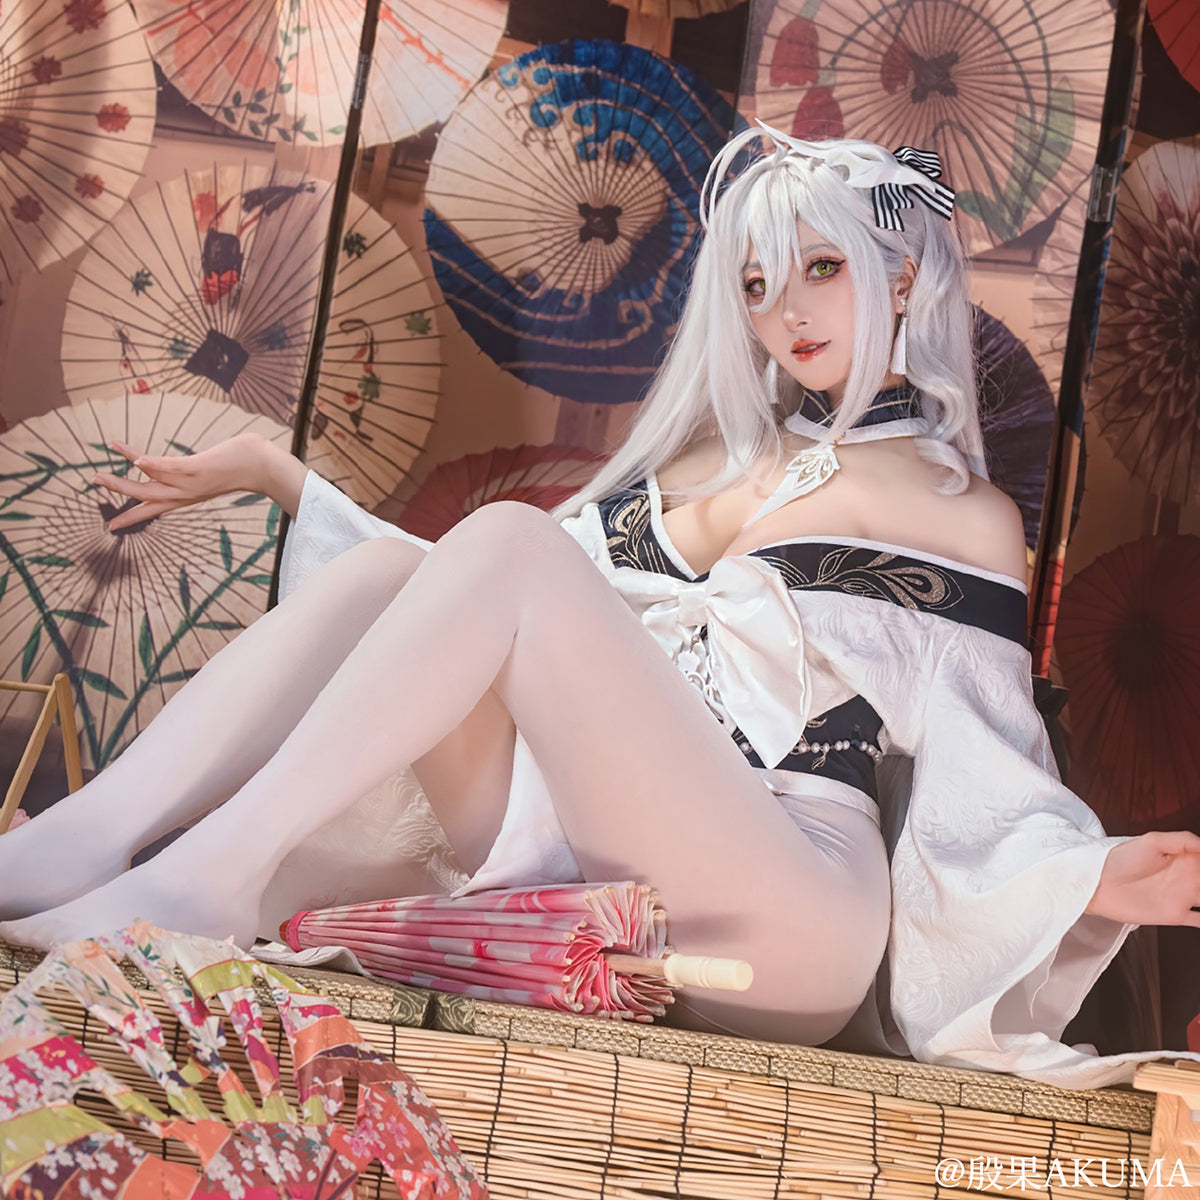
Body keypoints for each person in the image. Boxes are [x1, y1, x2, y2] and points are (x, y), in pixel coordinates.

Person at [1, 124, 1198, 1090]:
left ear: (902, 271)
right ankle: (89, 836)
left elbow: (986, 754)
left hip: (791, 901)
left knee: (510, 543)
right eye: (757, 284)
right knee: (389, 576)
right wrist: (283, 478)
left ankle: (217, 871)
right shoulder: (700, 465)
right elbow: (455, 612)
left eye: (823, 269)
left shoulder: (958, 509)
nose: (788, 311)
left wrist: (1080, 877)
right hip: (591, 857)